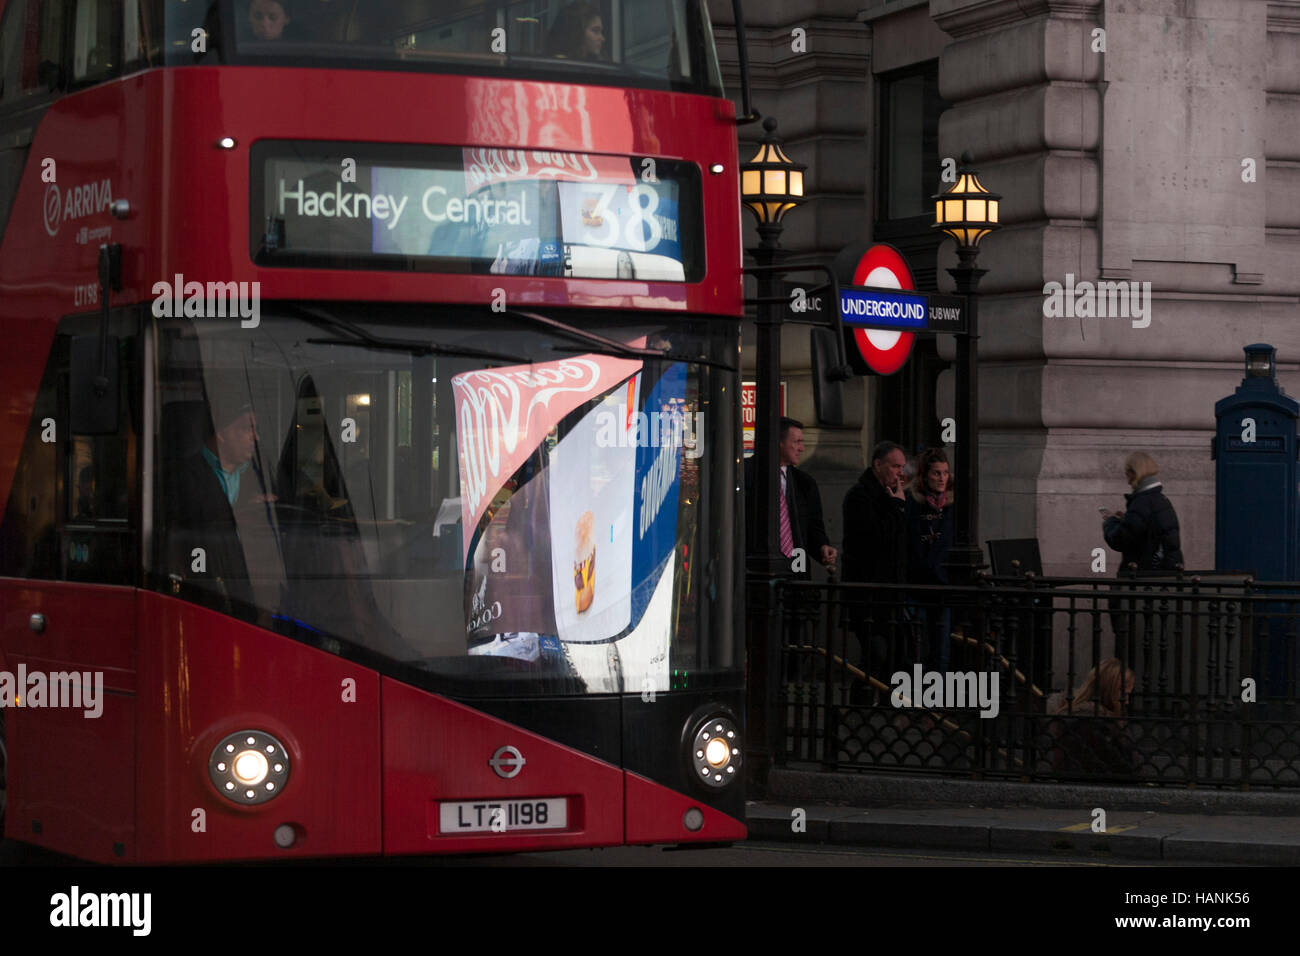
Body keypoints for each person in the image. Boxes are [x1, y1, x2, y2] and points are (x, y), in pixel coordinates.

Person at [169, 388, 278, 621]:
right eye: (246, 429)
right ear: (221, 433)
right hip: (207, 596)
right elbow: (187, 539)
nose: (255, 437)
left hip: (258, 593)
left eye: (256, 429)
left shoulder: (262, 477)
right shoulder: (184, 476)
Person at [842, 441, 909, 682]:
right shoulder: (860, 497)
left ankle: (887, 709)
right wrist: (897, 507)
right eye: (895, 466)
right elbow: (874, 540)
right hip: (868, 592)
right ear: (877, 465)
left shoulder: (893, 495)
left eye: (902, 467)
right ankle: (860, 707)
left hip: (891, 593)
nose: (900, 472)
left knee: (896, 655)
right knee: (875, 654)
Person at [1102, 451, 1183, 644]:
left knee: (1132, 643)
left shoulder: (1141, 503)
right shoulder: (1161, 500)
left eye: (1127, 472)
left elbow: (1120, 540)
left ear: (1133, 473)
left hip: (1142, 582)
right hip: (1160, 581)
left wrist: (1110, 523)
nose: (1126, 478)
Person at [744, 417, 836, 576]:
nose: (802, 448)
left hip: (796, 566)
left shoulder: (804, 483)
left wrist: (822, 546)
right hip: (756, 569)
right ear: (778, 442)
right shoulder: (747, 474)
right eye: (797, 442)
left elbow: (813, 526)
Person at [1046, 658, 1140, 776]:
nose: (1127, 702)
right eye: (1124, 694)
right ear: (1109, 690)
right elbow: (1116, 765)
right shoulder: (1089, 722)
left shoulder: (1093, 719)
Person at [905, 447, 954, 670]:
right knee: (917, 648)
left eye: (945, 472)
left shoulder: (952, 506)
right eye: (936, 473)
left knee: (941, 650)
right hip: (917, 584)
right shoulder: (912, 502)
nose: (942, 478)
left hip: (943, 586)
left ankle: (938, 699)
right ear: (925, 475)